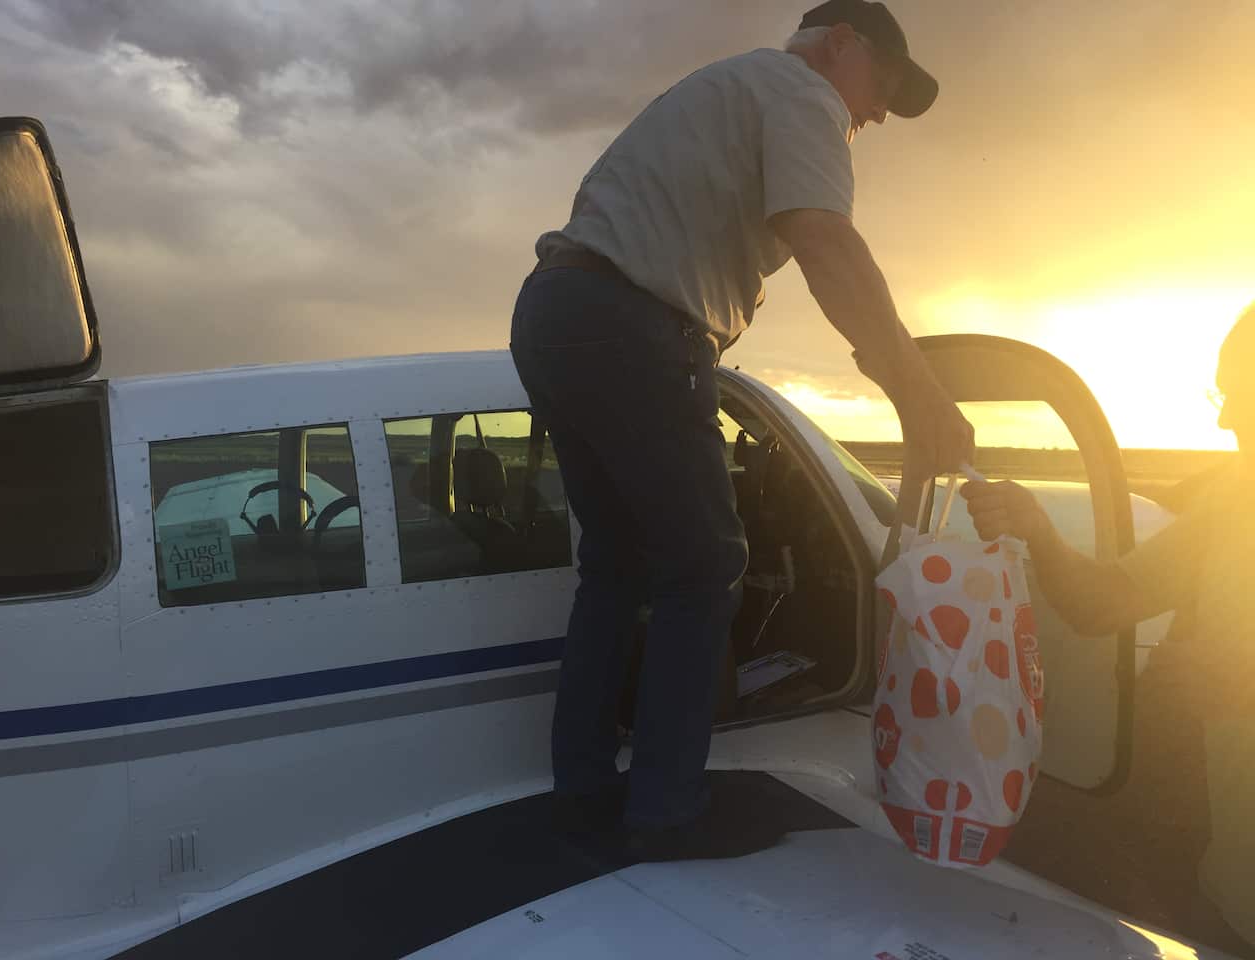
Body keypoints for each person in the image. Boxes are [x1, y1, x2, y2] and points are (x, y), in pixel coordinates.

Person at [510, 0, 974, 859]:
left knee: (616, 565)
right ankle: (666, 812)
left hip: (555, 309)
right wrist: (920, 394)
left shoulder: (722, 87)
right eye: (883, 84)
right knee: (705, 567)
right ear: (840, 45)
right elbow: (825, 242)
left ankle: (583, 791)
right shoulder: (802, 93)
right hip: (634, 326)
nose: (877, 112)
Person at [961, 302, 1255, 955]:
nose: (1224, 418)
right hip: (1231, 893)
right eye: (1222, 394)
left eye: (1243, 393)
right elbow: (1102, 604)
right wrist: (1038, 530)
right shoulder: (1232, 500)